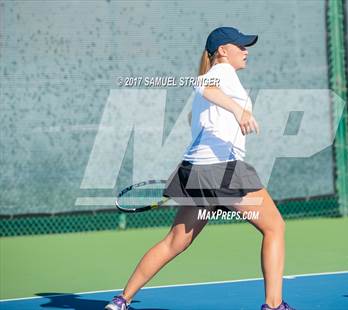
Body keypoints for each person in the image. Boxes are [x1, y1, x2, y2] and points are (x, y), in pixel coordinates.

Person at [105, 26, 295, 310]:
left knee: (174, 243)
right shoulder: (222, 73)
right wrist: (238, 111)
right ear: (222, 51)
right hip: (223, 170)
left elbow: (196, 114)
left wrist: (223, 118)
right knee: (275, 227)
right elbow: (203, 87)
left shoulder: (221, 78)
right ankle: (273, 305)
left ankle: (121, 300)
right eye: (240, 46)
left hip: (197, 171)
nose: (246, 51)